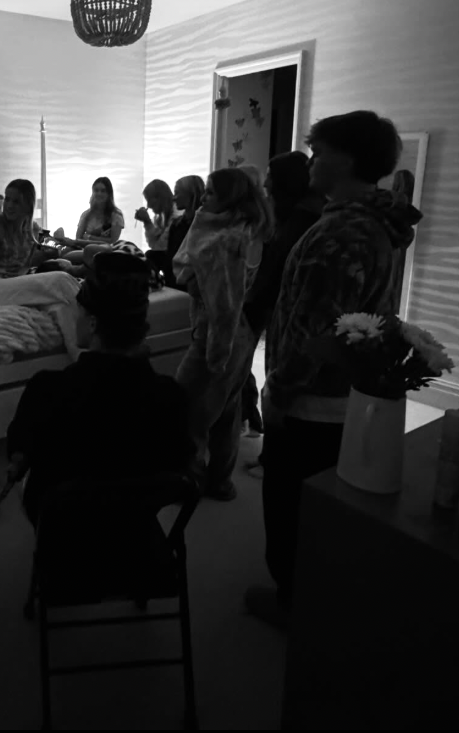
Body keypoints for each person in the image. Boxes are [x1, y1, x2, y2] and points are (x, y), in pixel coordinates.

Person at [246, 111, 422, 629]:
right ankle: (309, 595)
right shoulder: (375, 220)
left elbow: (315, 331)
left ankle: (291, 602)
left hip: (312, 400)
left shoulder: (342, 232)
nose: (312, 161)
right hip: (342, 395)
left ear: (345, 159)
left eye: (318, 151)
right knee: (316, 505)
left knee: (288, 507)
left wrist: (277, 392)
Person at [5, 250, 194, 527]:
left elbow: (18, 461)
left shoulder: (46, 391)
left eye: (77, 310)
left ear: (93, 322)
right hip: (135, 539)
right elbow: (178, 473)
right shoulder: (171, 398)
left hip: (64, 539)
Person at [172, 167, 273, 501]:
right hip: (237, 331)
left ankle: (193, 480)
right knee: (226, 408)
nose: (204, 199)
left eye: (212, 192)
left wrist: (217, 348)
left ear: (231, 198)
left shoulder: (229, 240)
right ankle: (220, 481)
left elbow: (220, 301)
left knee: (188, 407)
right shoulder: (243, 230)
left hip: (220, 332)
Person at [241, 151, 325, 476]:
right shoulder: (295, 217)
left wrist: (247, 308)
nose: (265, 183)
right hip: (274, 311)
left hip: (282, 315)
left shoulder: (300, 221)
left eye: (270, 176)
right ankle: (269, 456)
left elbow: (273, 273)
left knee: (278, 385)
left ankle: (273, 460)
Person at [0, 179, 56, 282]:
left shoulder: (32, 229)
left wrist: (48, 253)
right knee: (58, 281)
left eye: (16, 202)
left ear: (28, 206)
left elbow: (30, 262)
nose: (9, 205)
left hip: (18, 281)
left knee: (60, 277)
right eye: (7, 199)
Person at [54, 177, 125, 260]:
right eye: (96, 190)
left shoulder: (116, 215)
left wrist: (89, 237)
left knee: (68, 257)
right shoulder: (86, 214)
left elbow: (112, 241)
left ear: (109, 193)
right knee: (61, 252)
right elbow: (78, 238)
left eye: (103, 191)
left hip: (105, 252)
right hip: (83, 248)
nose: (99, 193)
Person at [134, 179, 176, 283]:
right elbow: (153, 245)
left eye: (149, 200)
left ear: (160, 198)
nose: (148, 205)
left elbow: (160, 247)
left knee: (151, 256)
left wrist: (147, 222)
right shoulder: (160, 217)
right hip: (169, 258)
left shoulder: (176, 216)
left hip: (174, 258)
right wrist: (147, 223)